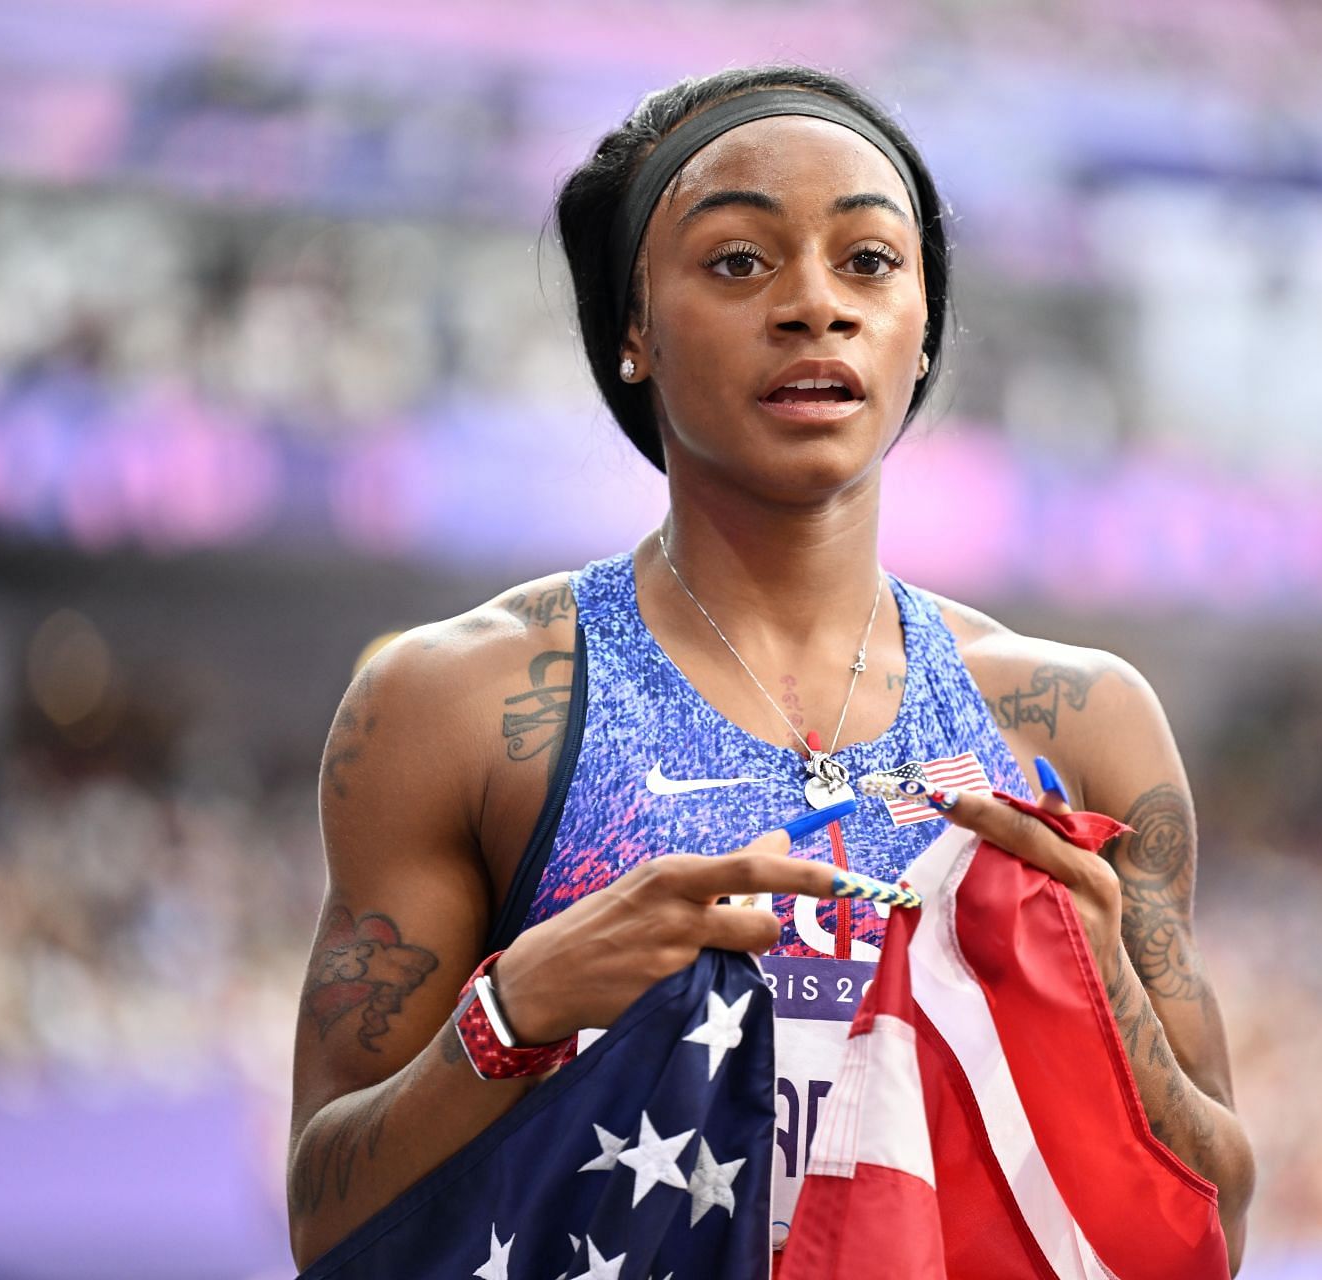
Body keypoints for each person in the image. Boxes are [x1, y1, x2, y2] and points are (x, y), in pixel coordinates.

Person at [285, 64, 1255, 1272]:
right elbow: (325, 1221)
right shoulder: (457, 704)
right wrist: (510, 1013)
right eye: (740, 260)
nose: (815, 306)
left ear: (922, 331)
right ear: (631, 330)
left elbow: (1221, 1214)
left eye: (868, 261)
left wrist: (1107, 994)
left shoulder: (1082, 720)